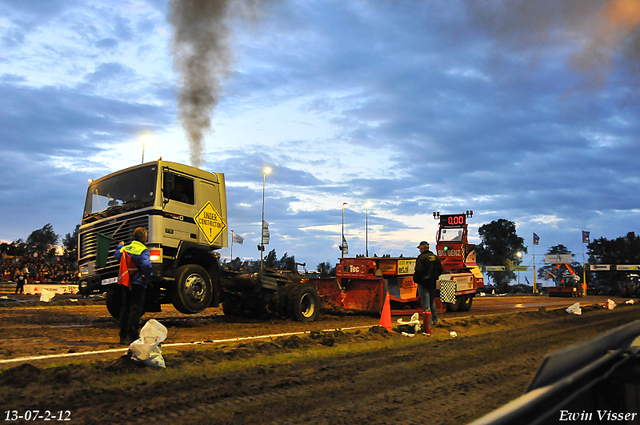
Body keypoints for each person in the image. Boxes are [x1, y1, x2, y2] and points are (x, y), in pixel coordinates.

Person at [114, 227, 152, 345]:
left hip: (126, 282)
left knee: (125, 308)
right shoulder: (142, 250)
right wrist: (148, 276)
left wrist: (120, 246)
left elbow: (117, 255)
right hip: (138, 282)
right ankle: (133, 336)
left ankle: (123, 336)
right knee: (136, 309)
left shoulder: (126, 248)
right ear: (143, 238)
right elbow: (146, 265)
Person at [413, 241, 442, 326]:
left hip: (423, 283)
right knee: (431, 301)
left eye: (420, 248)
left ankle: (428, 324)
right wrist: (434, 277)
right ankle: (434, 320)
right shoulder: (435, 257)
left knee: (426, 303)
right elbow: (440, 270)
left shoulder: (421, 258)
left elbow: (418, 270)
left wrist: (416, 279)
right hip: (432, 283)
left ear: (422, 248)